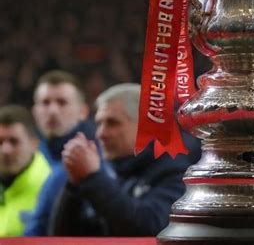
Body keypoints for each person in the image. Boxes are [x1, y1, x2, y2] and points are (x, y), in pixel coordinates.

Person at [50, 83, 201, 236]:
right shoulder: (108, 171)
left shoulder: (177, 173)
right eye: (99, 123)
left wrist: (92, 178)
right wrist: (75, 185)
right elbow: (61, 235)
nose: (100, 134)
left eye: (112, 123)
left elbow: (149, 228)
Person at [24, 70, 95, 236]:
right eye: (45, 103)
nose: (52, 110)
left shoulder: (97, 161)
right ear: (34, 111)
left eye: (62, 102)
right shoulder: (28, 157)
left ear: (83, 111)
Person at [0, 105, 51, 236]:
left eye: (14, 142)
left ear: (34, 144)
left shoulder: (49, 186)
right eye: (0, 142)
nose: (5, 150)